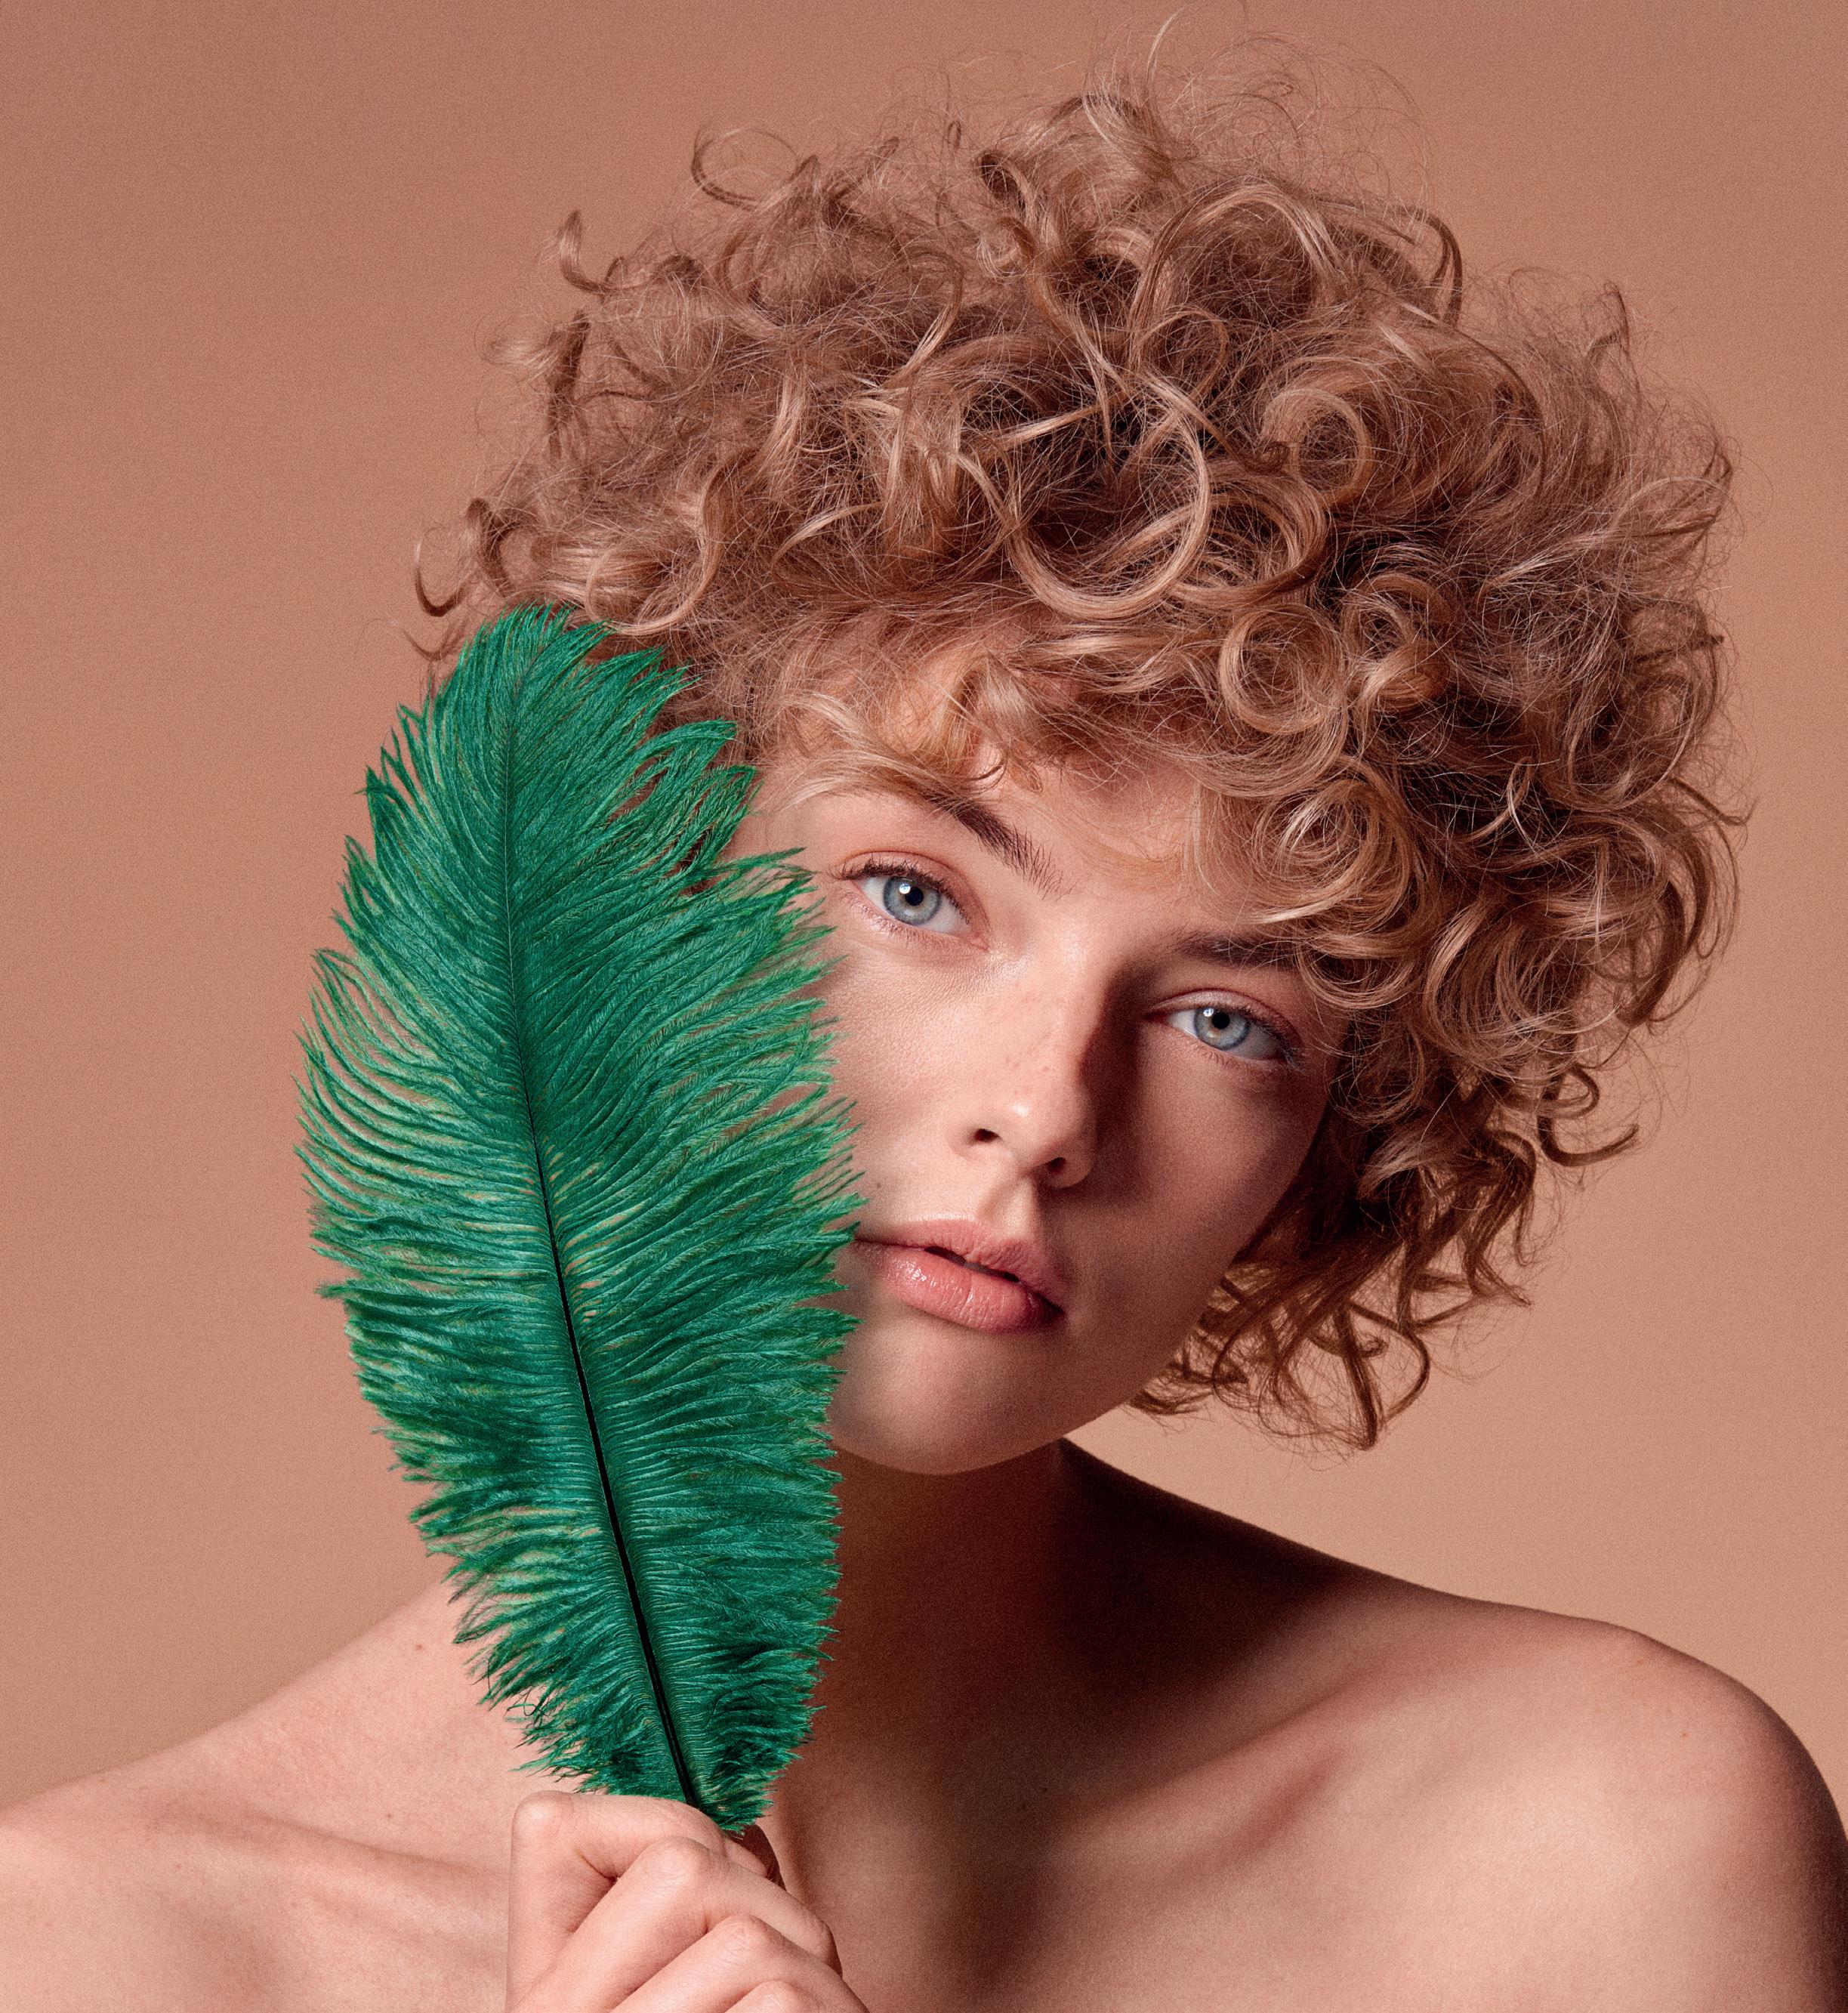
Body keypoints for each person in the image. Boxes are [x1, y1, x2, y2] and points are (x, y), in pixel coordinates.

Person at [3, 46, 1844, 2013]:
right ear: (621, 881)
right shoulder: (111, 1951)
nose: (1047, 1109)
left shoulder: (1601, 1853)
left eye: (1229, 1015)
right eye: (915, 894)